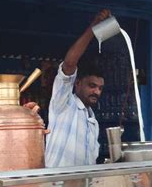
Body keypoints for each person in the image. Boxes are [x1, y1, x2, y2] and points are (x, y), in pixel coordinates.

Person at [45, 9, 111, 168]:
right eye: (92, 86)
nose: (97, 92)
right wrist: (93, 28)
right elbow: (69, 64)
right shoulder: (64, 104)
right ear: (78, 83)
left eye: (100, 88)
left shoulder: (92, 120)